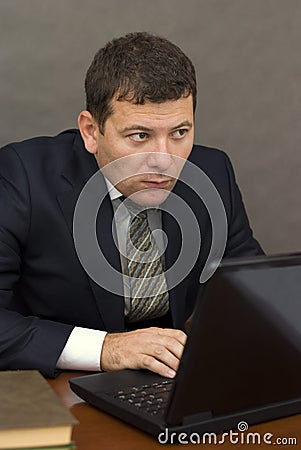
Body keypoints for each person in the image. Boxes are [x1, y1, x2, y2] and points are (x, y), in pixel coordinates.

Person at [0, 32, 263, 378]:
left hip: (169, 383)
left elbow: (253, 293)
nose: (163, 160)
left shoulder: (213, 173)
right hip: (63, 389)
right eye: (140, 136)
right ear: (91, 131)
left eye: (180, 132)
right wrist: (106, 348)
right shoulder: (23, 175)